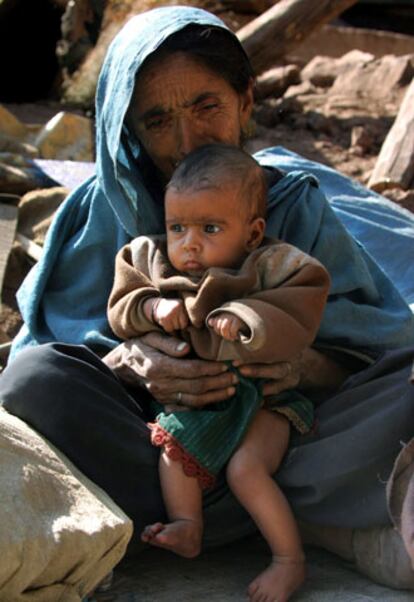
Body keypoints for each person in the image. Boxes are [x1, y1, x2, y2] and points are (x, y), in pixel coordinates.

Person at [1, 4, 414, 593]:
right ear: (129, 131)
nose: (187, 140)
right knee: (33, 381)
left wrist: (300, 366)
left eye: (206, 107)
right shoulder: (98, 214)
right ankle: (293, 521)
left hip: (278, 441)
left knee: (406, 382)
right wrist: (133, 364)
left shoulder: (292, 205)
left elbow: (375, 339)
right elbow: (51, 348)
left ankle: (250, 514)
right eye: (158, 121)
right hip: (157, 446)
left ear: (246, 102)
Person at [107, 143, 330, 600]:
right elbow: (122, 304)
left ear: (252, 233)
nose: (189, 244)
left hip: (264, 397)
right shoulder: (154, 259)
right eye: (177, 227)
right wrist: (152, 304)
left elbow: (306, 297)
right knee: (171, 448)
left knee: (248, 470)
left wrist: (248, 318)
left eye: (210, 228)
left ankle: (289, 560)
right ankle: (188, 526)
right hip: (198, 405)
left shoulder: (268, 263)